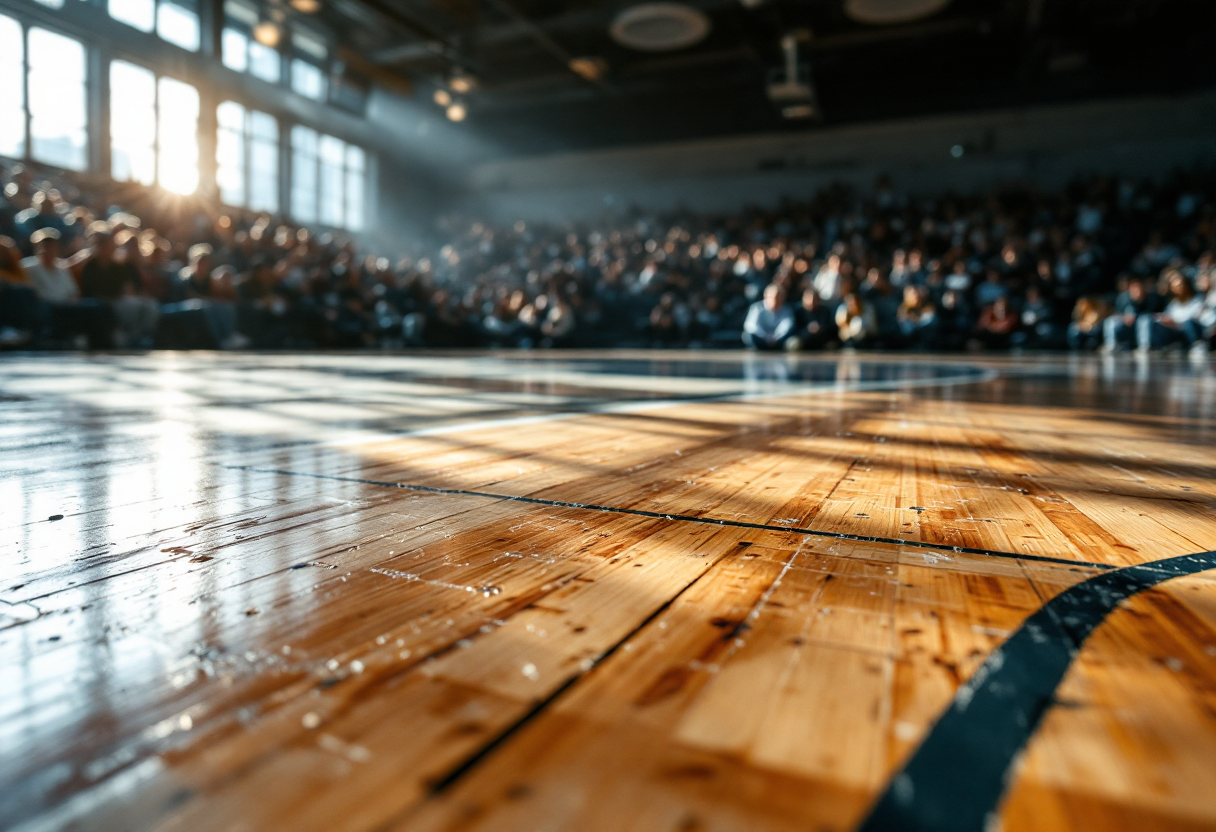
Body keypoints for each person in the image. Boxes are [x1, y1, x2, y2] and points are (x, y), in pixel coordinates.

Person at [21, 228, 113, 348]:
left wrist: (71, 301)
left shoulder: (61, 268)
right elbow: (30, 292)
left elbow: (73, 292)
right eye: (45, 246)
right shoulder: (28, 267)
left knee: (98, 306)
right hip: (48, 306)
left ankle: (102, 343)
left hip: (67, 304)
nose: (48, 250)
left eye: (52, 246)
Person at [1136, 270, 1206, 354]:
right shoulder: (1173, 304)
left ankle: (1197, 345)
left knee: (1189, 323)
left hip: (1192, 331)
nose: (1180, 288)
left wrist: (1175, 321)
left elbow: (1196, 318)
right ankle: (1149, 346)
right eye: (1176, 286)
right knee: (1148, 319)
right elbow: (1168, 317)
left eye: (1181, 285)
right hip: (1177, 332)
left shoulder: (1197, 299)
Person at [1102, 277, 1154, 352]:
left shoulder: (1150, 299)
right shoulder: (1123, 298)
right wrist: (1124, 318)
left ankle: (1144, 346)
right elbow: (1118, 313)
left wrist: (1136, 316)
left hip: (1142, 324)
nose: (1137, 292)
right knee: (1110, 321)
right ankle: (1111, 345)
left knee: (1144, 320)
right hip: (1126, 325)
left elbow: (1151, 314)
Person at [742, 283, 794, 350]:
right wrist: (766, 337)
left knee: (791, 339)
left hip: (778, 339)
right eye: (771, 297)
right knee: (748, 336)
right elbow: (751, 326)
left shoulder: (787, 310)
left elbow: (787, 326)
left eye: (778, 297)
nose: (774, 300)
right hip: (761, 338)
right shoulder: (757, 307)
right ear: (766, 296)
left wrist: (775, 337)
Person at [789, 286, 835, 350]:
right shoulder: (798, 311)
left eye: (814, 299)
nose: (811, 301)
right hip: (803, 340)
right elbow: (794, 329)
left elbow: (829, 328)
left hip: (820, 340)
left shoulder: (825, 311)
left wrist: (819, 328)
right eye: (808, 298)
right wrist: (807, 330)